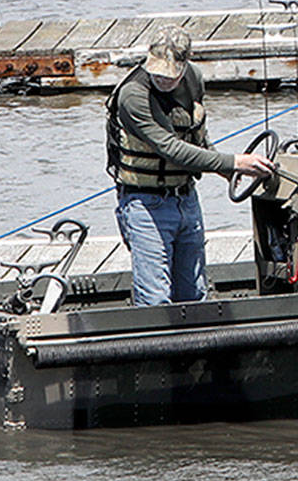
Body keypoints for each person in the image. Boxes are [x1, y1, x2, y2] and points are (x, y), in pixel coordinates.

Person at [106, 24, 276, 305]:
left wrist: (224, 168)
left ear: (185, 64)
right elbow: (172, 149)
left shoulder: (194, 78)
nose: (163, 79)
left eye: (170, 75)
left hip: (186, 200)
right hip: (146, 205)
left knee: (194, 296)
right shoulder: (133, 96)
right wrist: (234, 162)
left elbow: (195, 136)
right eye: (157, 73)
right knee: (155, 301)